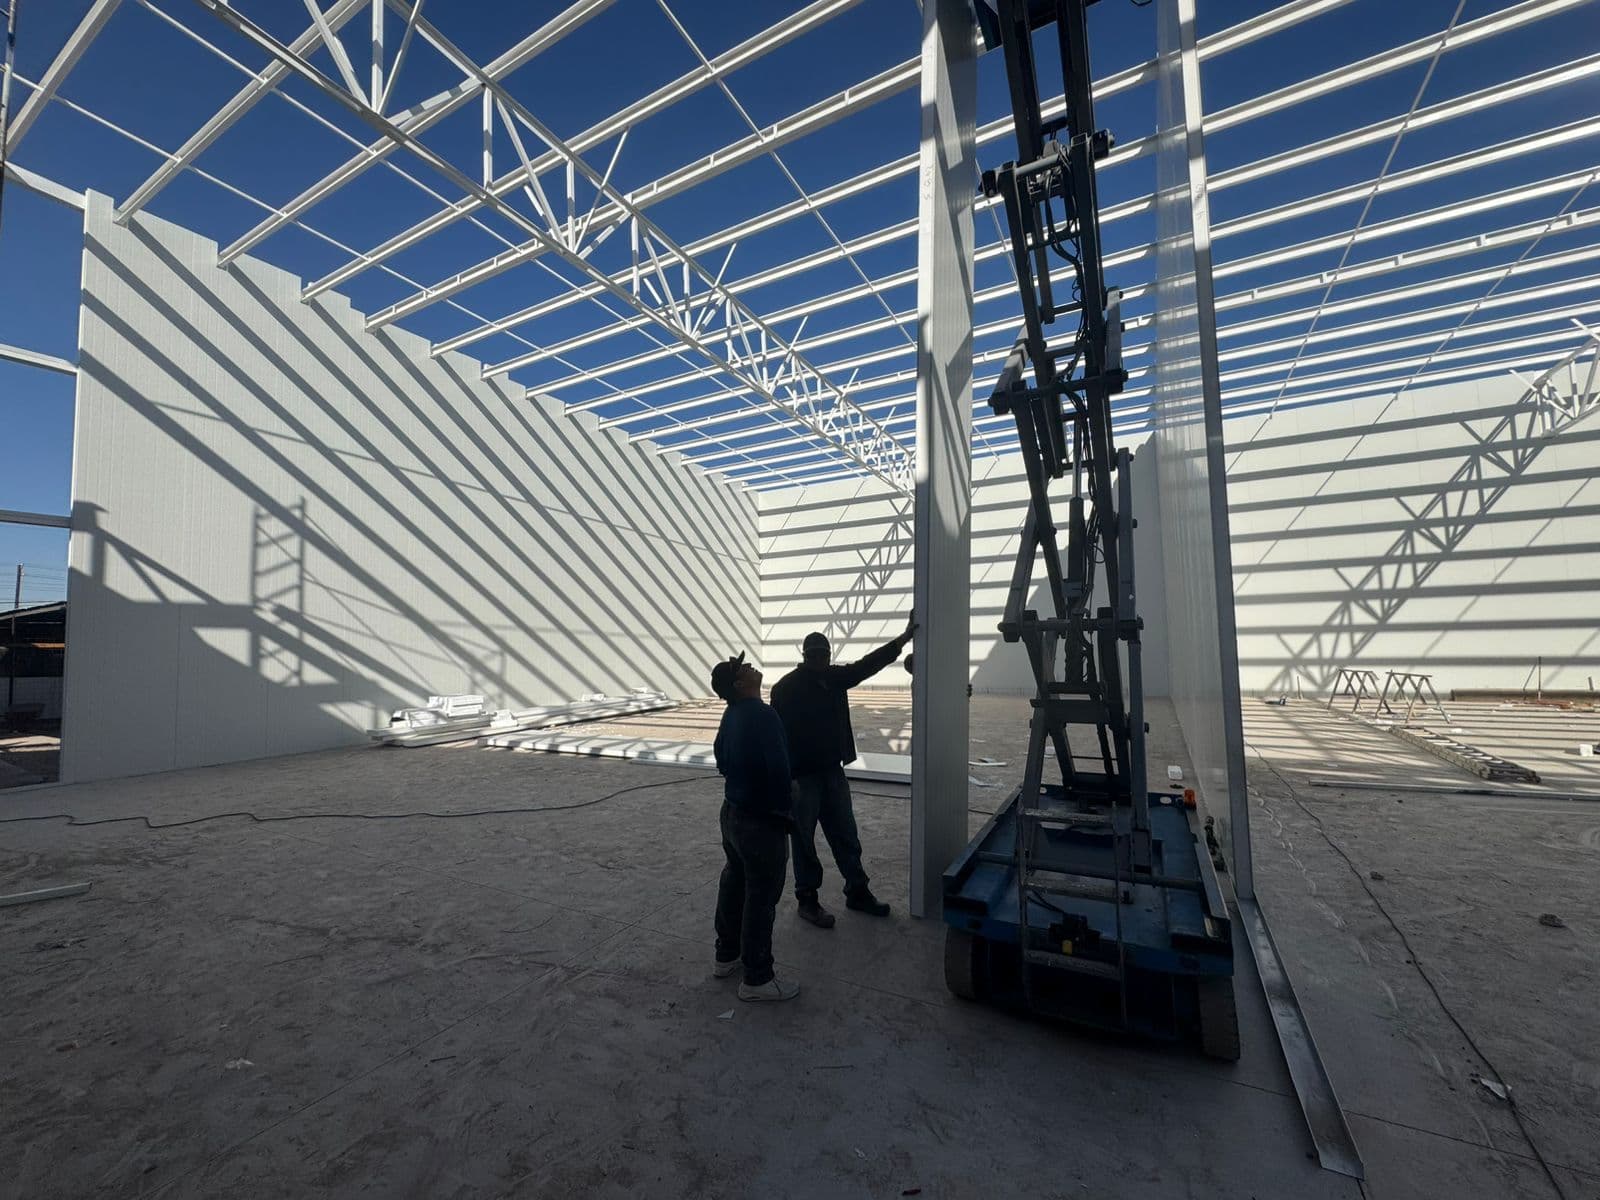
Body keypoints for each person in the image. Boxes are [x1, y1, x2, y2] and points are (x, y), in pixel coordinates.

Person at [770, 615, 916, 928]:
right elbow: (776, 737)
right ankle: (807, 899)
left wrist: (902, 640)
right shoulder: (786, 689)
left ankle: (857, 891)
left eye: (824, 656)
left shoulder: (833, 678)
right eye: (816, 656)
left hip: (831, 773)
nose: (821, 660)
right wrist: (785, 779)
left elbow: (866, 665)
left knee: (846, 834)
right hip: (802, 778)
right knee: (804, 842)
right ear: (806, 656)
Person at [709, 651, 800, 1002]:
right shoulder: (763, 715)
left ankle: (725, 955)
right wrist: (785, 812)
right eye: (744, 668)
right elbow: (780, 769)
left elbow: (719, 756)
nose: (751, 666)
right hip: (760, 820)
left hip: (732, 812)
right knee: (761, 896)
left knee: (735, 881)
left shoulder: (730, 714)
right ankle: (757, 978)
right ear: (740, 683)